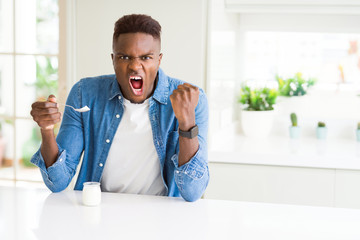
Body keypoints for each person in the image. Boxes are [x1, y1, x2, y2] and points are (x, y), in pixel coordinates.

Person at [30, 14, 209, 202]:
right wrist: (47, 130)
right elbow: (57, 182)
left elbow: (192, 192)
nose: (134, 66)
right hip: (98, 212)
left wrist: (186, 122)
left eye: (146, 57)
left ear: (159, 60)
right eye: (124, 57)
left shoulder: (191, 99)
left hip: (161, 217)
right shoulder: (85, 94)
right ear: (113, 59)